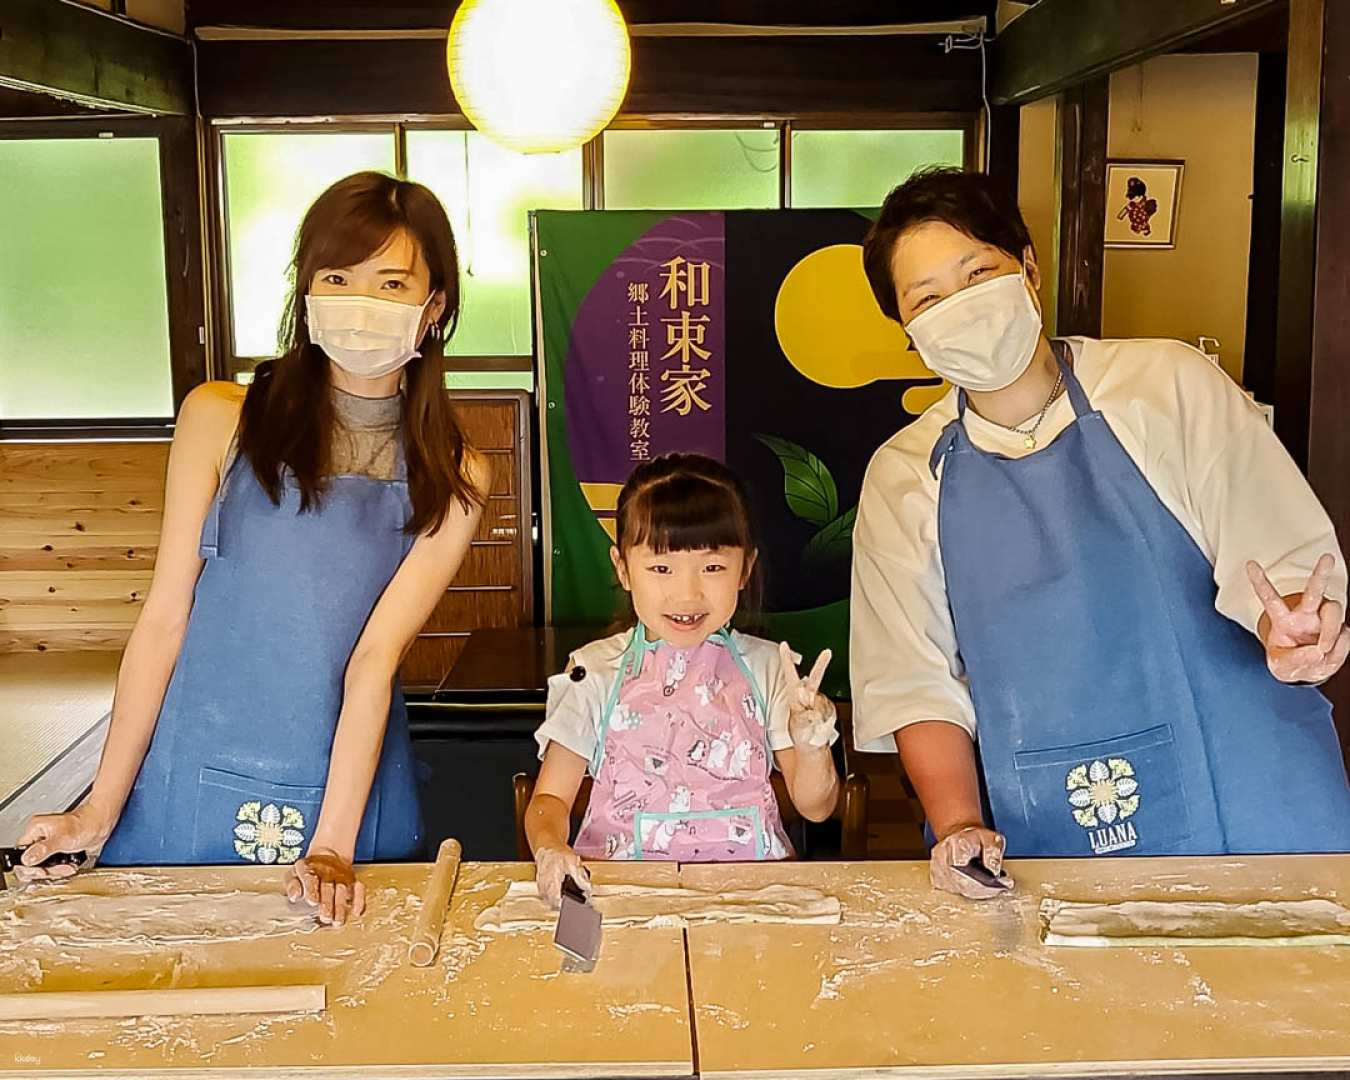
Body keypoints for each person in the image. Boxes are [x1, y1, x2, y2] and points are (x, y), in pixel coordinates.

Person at [850, 167, 1350, 900]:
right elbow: (914, 682)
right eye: (927, 300)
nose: (959, 308)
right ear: (910, 334)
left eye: (978, 272)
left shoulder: (1166, 386)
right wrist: (957, 822)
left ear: (1028, 265)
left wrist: (1299, 632)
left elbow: (1279, 563)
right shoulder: (904, 477)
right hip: (1053, 817)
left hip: (1252, 790)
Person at [17, 172, 489, 925]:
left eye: (390, 281)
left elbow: (373, 662)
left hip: (342, 786)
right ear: (307, 294)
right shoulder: (220, 418)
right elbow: (165, 618)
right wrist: (96, 809)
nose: (359, 301)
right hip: (188, 764)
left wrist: (332, 847)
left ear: (432, 309)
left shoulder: (454, 474)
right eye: (337, 276)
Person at [525, 454, 840, 904]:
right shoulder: (591, 673)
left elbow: (816, 806)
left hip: (750, 899)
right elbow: (550, 800)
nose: (687, 593)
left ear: (744, 569)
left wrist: (812, 748)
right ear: (622, 568)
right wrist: (552, 847)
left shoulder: (773, 668)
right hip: (621, 896)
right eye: (661, 568)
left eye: (712, 568)